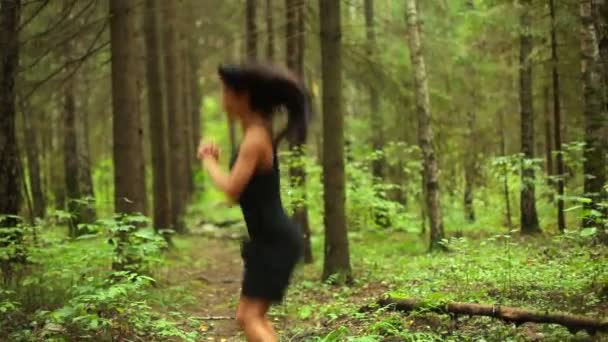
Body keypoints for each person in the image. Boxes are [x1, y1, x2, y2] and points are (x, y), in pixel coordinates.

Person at [197, 63, 310, 341]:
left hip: (275, 241)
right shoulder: (256, 134)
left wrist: (209, 161)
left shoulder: (255, 138)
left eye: (225, 91)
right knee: (248, 317)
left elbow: (232, 190)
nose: (222, 98)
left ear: (242, 96)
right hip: (268, 240)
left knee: (250, 318)